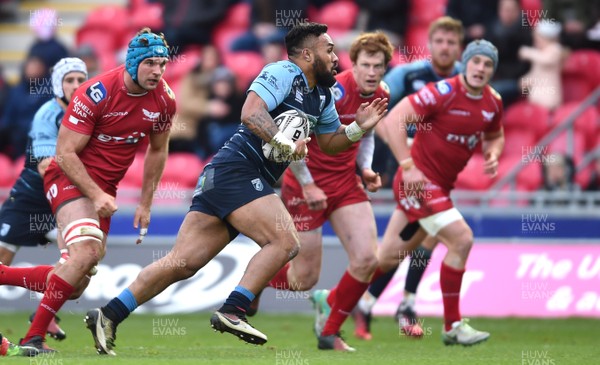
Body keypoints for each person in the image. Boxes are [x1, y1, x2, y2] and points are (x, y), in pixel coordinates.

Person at [84, 22, 387, 356]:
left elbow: (329, 143)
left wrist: (359, 128)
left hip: (226, 177)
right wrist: (286, 142)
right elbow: (250, 112)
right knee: (285, 241)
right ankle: (234, 309)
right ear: (307, 54)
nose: (335, 57)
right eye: (328, 50)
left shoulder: (322, 95)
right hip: (237, 169)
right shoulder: (284, 72)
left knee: (182, 263)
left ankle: (108, 314)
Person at [0, 27, 175, 353]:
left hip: (104, 188)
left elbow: (158, 150)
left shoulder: (164, 100)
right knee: (85, 255)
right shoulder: (95, 92)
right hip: (68, 175)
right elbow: (64, 154)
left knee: (76, 282)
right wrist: (95, 195)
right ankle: (32, 339)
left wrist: (145, 203)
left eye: (162, 64)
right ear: (133, 63)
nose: (158, 71)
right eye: (150, 63)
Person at [247, 31, 392, 352]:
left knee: (368, 259)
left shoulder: (381, 93)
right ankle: (257, 282)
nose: (372, 72)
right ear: (352, 65)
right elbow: (297, 136)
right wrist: (308, 182)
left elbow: (365, 135)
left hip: (345, 184)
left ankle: (329, 331)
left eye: (378, 66)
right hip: (305, 184)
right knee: (304, 279)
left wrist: (365, 168)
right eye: (365, 64)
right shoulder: (333, 90)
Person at [377, 38, 504, 346]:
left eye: (488, 64)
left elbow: (495, 134)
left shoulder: (493, 102)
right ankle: (452, 325)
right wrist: (407, 165)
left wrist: (493, 153)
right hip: (418, 181)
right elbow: (392, 119)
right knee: (461, 238)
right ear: (467, 62)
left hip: (440, 187)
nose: (481, 68)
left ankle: (335, 300)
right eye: (476, 61)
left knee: (386, 257)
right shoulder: (443, 91)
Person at [353, 16, 465, 341]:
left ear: (458, 48)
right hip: (411, 168)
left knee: (420, 239)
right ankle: (393, 303)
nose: (445, 47)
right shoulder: (408, 75)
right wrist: (402, 153)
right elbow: (381, 116)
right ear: (430, 45)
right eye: (440, 41)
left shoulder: (463, 80)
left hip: (440, 170)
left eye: (451, 42)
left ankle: (370, 302)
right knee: (415, 239)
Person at [0, 57, 88, 344]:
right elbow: (46, 167)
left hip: (65, 200)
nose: (76, 86)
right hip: (31, 199)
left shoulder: (91, 116)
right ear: (57, 85)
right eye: (69, 80)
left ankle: (44, 314)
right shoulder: (47, 115)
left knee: (80, 273)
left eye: (80, 80)